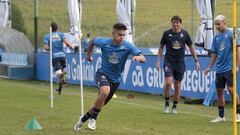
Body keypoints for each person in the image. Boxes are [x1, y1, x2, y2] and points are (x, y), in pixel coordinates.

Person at [74, 23, 146, 131]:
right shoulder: (104, 42)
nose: (122, 37)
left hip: (116, 80)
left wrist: (139, 57)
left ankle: (82, 120)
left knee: (98, 105)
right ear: (113, 34)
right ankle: (93, 119)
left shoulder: (128, 46)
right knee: (104, 92)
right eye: (119, 35)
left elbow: (144, 58)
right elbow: (92, 41)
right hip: (102, 74)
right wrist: (88, 55)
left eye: (123, 35)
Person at [156, 15, 200, 114]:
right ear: (171, 23)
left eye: (177, 22)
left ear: (180, 23)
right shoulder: (167, 34)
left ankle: (175, 106)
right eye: (174, 22)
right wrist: (158, 61)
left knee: (177, 85)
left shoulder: (185, 34)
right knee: (168, 82)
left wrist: (196, 61)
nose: (175, 24)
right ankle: (167, 104)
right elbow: (161, 47)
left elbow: (191, 47)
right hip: (169, 62)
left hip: (180, 64)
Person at [204, 15, 240, 123]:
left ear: (224, 22)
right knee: (219, 91)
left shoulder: (231, 34)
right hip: (219, 69)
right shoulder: (216, 37)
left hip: (229, 68)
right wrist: (209, 67)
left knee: (231, 90)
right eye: (215, 24)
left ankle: (238, 113)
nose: (217, 26)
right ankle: (221, 116)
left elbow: (238, 49)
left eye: (218, 24)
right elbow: (214, 54)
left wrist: (237, 66)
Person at [43, 22, 75, 95]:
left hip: (55, 57)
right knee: (61, 76)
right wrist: (71, 46)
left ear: (50, 28)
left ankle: (64, 74)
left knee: (59, 74)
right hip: (62, 56)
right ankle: (59, 89)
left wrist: (49, 49)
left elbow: (45, 47)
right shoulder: (61, 34)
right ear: (57, 28)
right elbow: (66, 42)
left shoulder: (47, 36)